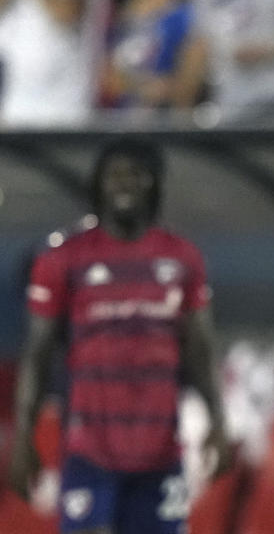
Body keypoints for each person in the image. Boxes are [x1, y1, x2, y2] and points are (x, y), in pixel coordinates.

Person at [9, 139, 230, 534]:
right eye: (113, 175)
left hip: (161, 450)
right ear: (98, 184)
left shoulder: (182, 257)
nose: (124, 185)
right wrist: (24, 437)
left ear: (155, 183)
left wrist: (218, 421)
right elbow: (37, 354)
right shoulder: (63, 257)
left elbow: (199, 347)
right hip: (89, 450)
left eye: (135, 175)